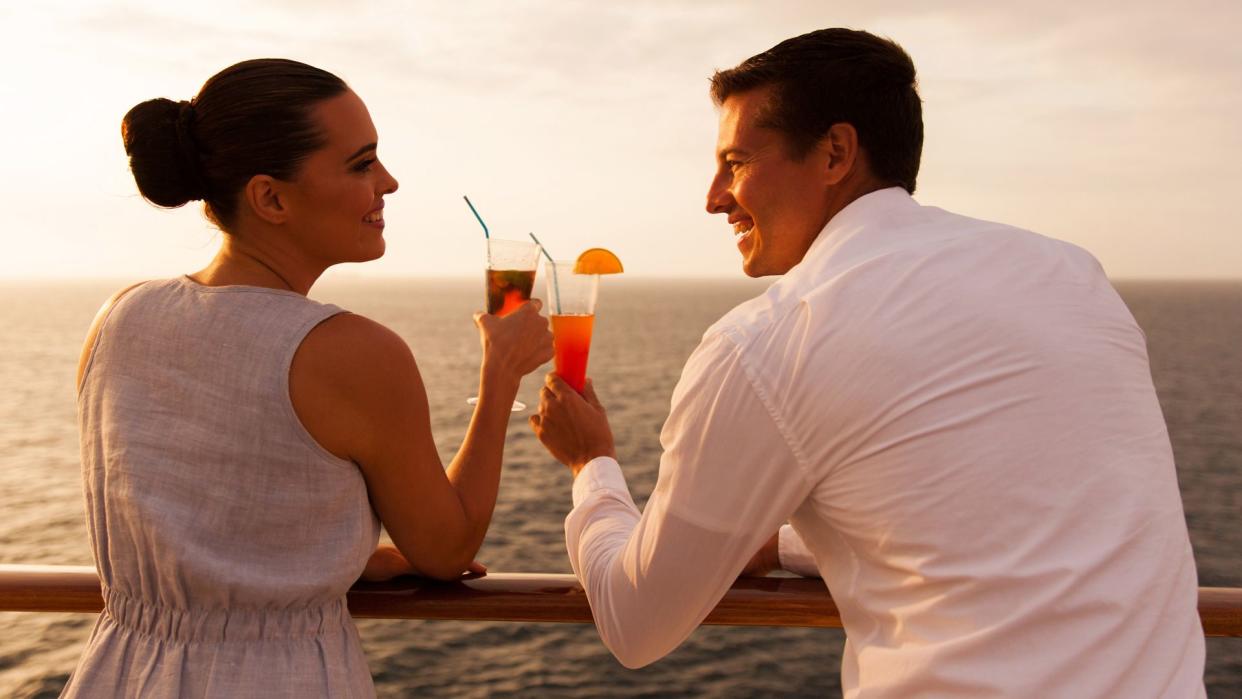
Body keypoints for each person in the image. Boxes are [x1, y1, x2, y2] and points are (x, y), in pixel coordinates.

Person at [530, 28, 1206, 697]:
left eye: (735, 163)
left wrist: (592, 464)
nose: (713, 197)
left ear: (834, 152)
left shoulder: (773, 338)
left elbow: (635, 620)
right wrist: (797, 544)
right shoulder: (1072, 274)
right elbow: (1010, 517)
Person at [66, 58, 553, 697]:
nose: (390, 182)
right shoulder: (351, 352)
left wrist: (330, 562)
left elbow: (196, 517)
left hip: (119, 673)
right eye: (361, 164)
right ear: (271, 197)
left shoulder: (118, 318)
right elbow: (446, 549)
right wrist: (501, 375)